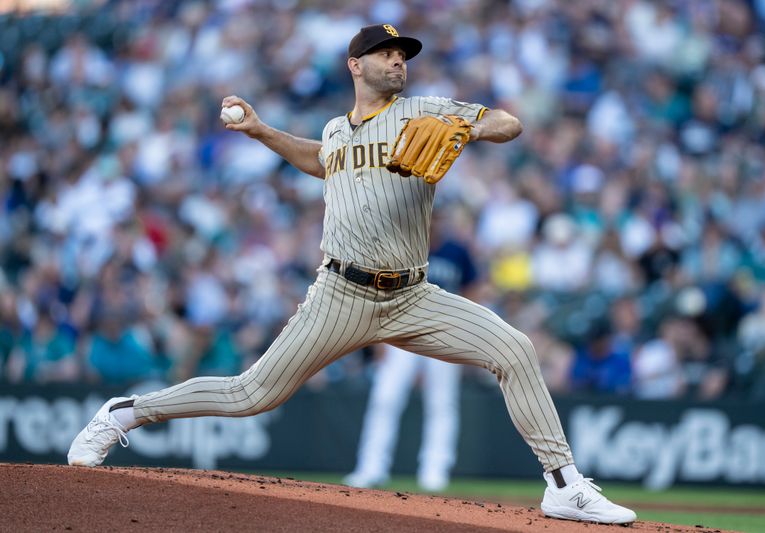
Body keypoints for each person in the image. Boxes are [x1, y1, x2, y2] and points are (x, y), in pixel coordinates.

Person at [68, 24, 636, 525]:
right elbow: (322, 161)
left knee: (514, 349)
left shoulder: (425, 110)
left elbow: (509, 123)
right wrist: (263, 132)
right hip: (341, 293)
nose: (397, 61)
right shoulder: (337, 130)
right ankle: (125, 413)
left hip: (414, 295)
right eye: (384, 53)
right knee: (251, 395)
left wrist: (470, 130)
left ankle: (564, 486)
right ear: (354, 65)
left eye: (402, 53)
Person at [344, 211, 476, 492]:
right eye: (429, 217)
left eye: (437, 218)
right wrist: (379, 338)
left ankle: (435, 471)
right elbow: (382, 294)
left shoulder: (456, 251)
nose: (433, 222)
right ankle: (370, 468)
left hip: (444, 335)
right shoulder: (399, 247)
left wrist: (464, 335)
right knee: (385, 399)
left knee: (442, 404)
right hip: (400, 333)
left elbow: (472, 291)